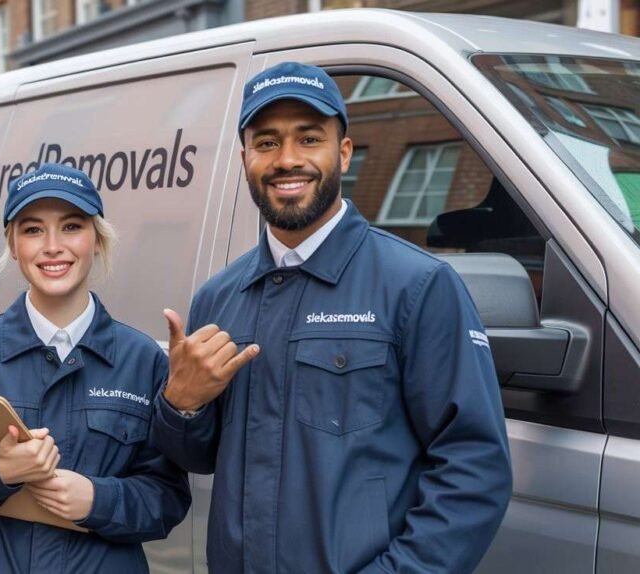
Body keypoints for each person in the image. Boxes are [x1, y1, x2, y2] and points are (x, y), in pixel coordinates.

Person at [152, 62, 513, 574]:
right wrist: (181, 406)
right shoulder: (219, 298)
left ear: (343, 152)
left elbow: (474, 470)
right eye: (268, 142)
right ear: (245, 158)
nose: (288, 160)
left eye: (309, 138)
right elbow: (199, 458)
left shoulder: (417, 286)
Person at [0, 163, 191, 573]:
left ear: (96, 240)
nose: (53, 246)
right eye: (33, 230)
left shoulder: (142, 361)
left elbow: (168, 497)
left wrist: (96, 500)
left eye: (72, 227)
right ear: (14, 245)